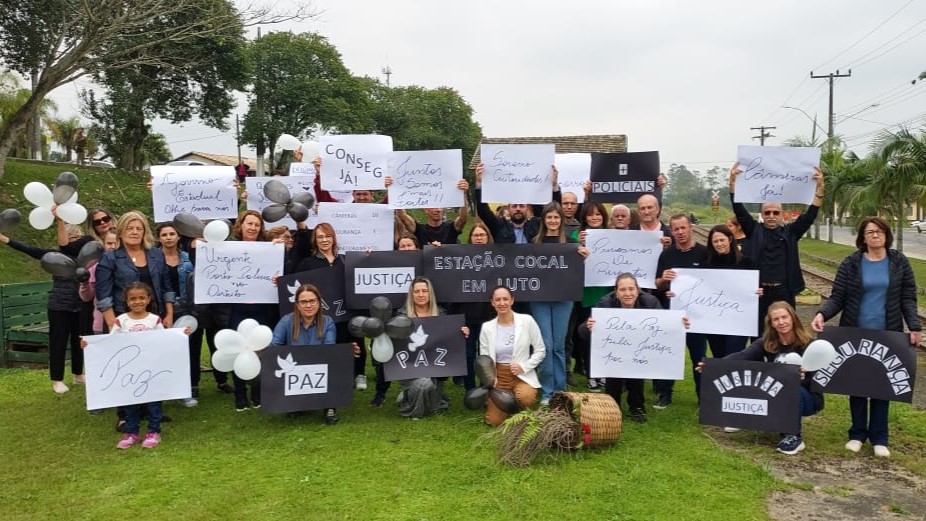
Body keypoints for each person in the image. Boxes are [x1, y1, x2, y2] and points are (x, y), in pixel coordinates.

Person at [811, 217, 921, 458]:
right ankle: (857, 434)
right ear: (862, 237)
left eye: (879, 231)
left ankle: (880, 437)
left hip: (888, 333)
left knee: (882, 384)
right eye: (870, 232)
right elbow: (838, 296)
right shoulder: (851, 263)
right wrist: (822, 313)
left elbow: (908, 298)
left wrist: (913, 326)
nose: (875, 235)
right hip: (855, 332)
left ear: (886, 235)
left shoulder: (899, 262)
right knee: (857, 383)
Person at [82, 282, 191, 449]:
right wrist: (89, 345)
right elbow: (110, 343)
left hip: (151, 370)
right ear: (126, 301)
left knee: (154, 401)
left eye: (141, 298)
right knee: (130, 402)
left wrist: (180, 335)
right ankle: (131, 433)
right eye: (132, 299)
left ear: (148, 299)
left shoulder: (154, 320)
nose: (137, 301)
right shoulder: (121, 321)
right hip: (129, 373)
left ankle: (153, 432)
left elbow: (164, 340)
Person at [713, 301, 824, 455]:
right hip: (775, 394)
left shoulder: (809, 345)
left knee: (791, 387)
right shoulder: (767, 343)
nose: (781, 322)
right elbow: (742, 356)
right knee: (749, 374)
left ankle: (794, 436)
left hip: (805, 397)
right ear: (771, 324)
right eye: (776, 319)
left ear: (793, 318)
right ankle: (741, 417)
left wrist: (804, 376)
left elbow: (818, 380)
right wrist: (712, 366)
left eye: (784, 317)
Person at [729, 162, 824, 334]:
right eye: (767, 212)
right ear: (762, 214)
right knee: (759, 333)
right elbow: (739, 210)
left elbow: (809, 216)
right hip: (759, 291)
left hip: (784, 291)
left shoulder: (791, 232)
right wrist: (733, 184)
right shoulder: (754, 230)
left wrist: (819, 190)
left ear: (781, 214)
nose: (771, 216)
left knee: (786, 332)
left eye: (776, 212)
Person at [579, 273, 683, 423]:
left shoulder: (650, 301)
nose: (627, 293)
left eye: (631, 289)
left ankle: (637, 407)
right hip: (613, 349)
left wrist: (680, 325)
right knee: (613, 375)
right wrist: (588, 327)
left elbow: (665, 326)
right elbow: (582, 332)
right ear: (616, 291)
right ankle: (612, 408)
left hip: (641, 347)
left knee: (636, 371)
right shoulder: (605, 303)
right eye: (622, 290)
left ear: (638, 289)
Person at [0, 224, 86, 394]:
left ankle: (78, 374)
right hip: (59, 306)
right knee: (58, 343)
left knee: (79, 342)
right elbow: (30, 250)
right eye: (72, 238)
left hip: (80, 305)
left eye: (78, 238)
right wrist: (6, 240)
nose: (75, 241)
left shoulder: (87, 257)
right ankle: (57, 380)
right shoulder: (56, 255)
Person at [294, 223, 369, 395]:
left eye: (327, 236)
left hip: (347, 310)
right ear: (315, 240)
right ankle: (337, 376)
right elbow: (296, 283)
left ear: (333, 238)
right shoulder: (308, 263)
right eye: (320, 237)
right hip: (323, 314)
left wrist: (368, 258)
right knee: (333, 343)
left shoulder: (345, 260)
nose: (324, 240)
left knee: (355, 339)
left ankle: (359, 373)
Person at [531, 202, 588, 404]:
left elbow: (577, 269)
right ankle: (547, 391)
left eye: (556, 217)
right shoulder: (535, 243)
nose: (553, 221)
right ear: (544, 220)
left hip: (564, 299)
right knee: (545, 345)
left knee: (558, 345)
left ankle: (560, 390)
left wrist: (583, 257)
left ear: (561, 220)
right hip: (540, 301)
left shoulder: (571, 244)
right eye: (549, 217)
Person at [272, 283, 354, 425]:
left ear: (319, 302)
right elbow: (274, 345)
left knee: (335, 364)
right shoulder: (286, 321)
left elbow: (329, 347)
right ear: (297, 304)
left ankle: (329, 407)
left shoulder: (327, 322)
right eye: (303, 302)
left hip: (319, 365)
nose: (308, 305)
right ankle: (294, 403)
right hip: (294, 368)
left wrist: (346, 351)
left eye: (312, 301)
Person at [653, 213, 708, 408]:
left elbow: (714, 283)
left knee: (698, 357)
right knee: (669, 354)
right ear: (672, 231)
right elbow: (657, 284)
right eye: (676, 229)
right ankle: (664, 394)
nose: (680, 232)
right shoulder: (667, 254)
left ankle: (703, 397)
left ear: (691, 228)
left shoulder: (704, 253)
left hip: (697, 317)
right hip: (672, 314)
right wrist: (664, 280)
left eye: (683, 228)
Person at [396, 277, 469, 419]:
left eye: (425, 291)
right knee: (424, 384)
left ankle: (411, 397)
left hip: (435, 369)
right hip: (410, 369)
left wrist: (461, 333)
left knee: (435, 407)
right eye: (417, 291)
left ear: (430, 294)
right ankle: (411, 411)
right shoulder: (402, 316)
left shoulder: (441, 314)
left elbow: (449, 340)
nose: (421, 295)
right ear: (411, 294)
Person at [227, 210, 277, 411]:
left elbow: (276, 271)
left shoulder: (268, 249)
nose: (253, 228)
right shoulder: (227, 249)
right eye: (249, 223)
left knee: (261, 351)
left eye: (257, 225)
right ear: (241, 225)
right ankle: (240, 395)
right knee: (237, 350)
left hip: (261, 308)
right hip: (237, 308)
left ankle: (257, 393)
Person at [479, 285, 546, 426]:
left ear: (512, 300)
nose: (502, 303)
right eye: (498, 300)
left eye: (505, 299)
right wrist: (491, 378)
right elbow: (485, 359)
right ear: (492, 302)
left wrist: (524, 366)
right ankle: (506, 406)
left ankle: (517, 408)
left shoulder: (527, 321)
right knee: (494, 421)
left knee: (525, 397)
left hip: (520, 374)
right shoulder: (487, 327)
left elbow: (541, 350)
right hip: (499, 376)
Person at [702, 224, 761, 358]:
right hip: (715, 321)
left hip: (739, 321)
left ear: (729, 239)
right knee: (718, 355)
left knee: (734, 356)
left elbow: (755, 289)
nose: (719, 244)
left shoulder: (746, 263)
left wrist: (757, 292)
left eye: (722, 240)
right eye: (715, 241)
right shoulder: (706, 265)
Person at [156, 223, 197, 407]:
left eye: (172, 234)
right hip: (162, 310)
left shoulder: (188, 258)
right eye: (164, 234)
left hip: (187, 309)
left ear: (179, 237)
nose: (168, 237)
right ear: (159, 238)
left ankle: (185, 389)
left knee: (186, 352)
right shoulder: (153, 259)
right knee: (164, 354)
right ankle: (162, 391)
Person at [571, 201, 610, 390]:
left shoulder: (614, 236)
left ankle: (604, 372)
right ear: (584, 217)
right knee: (588, 335)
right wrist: (579, 244)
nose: (594, 217)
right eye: (590, 214)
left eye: (598, 214)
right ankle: (591, 374)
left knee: (606, 336)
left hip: (608, 294)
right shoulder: (575, 236)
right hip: (586, 294)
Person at [473, 163, 561, 244]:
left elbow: (555, 209)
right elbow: (483, 211)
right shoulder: (499, 226)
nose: (518, 208)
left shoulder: (537, 225)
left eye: (521, 206)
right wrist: (479, 184)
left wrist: (554, 186)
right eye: (514, 206)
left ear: (527, 208)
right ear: (508, 208)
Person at [461, 223, 497, 390]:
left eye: (482, 235)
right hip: (468, 316)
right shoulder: (461, 259)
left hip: (490, 317)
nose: (479, 238)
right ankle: (470, 388)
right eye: (476, 235)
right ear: (470, 239)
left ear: (488, 237)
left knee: (487, 355)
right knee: (468, 355)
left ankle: (486, 387)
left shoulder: (497, 259)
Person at [388, 176, 470, 246]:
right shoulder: (419, 230)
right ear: (426, 210)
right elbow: (403, 217)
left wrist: (463, 194)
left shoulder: (452, 228)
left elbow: (463, 218)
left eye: (439, 207)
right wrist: (393, 191)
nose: (437, 210)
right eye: (433, 207)